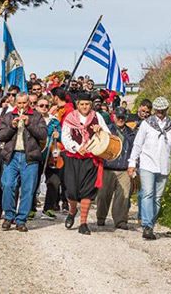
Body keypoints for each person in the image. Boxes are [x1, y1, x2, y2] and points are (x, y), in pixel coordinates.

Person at [128, 97, 171, 240]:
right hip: (147, 164)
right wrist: (132, 164)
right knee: (147, 193)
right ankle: (147, 226)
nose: (159, 112)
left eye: (162, 110)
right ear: (154, 110)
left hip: (164, 165)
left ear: (166, 109)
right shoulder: (147, 124)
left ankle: (150, 224)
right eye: (157, 110)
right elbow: (137, 144)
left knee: (157, 198)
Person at [61, 92, 111, 235]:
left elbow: (107, 135)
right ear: (78, 104)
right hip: (73, 158)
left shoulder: (97, 117)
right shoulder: (70, 118)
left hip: (91, 159)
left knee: (87, 191)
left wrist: (99, 130)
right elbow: (65, 137)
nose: (84, 107)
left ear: (91, 105)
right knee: (71, 191)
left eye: (87, 104)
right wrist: (77, 148)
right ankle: (72, 211)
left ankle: (83, 223)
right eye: (82, 104)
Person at [0, 92, 48, 232]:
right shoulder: (8, 116)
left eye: (24, 103)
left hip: (29, 157)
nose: (21, 106)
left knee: (28, 189)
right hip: (11, 157)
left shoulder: (36, 116)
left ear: (28, 103)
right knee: (7, 185)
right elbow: (0, 135)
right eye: (19, 103)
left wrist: (29, 123)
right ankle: (8, 216)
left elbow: (43, 134)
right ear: (15, 103)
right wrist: (12, 127)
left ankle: (21, 220)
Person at [96, 107, 135, 230]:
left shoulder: (132, 132)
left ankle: (120, 221)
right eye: (118, 117)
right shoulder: (107, 129)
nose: (120, 119)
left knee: (123, 196)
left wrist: (133, 166)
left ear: (126, 118)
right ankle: (101, 218)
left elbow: (135, 150)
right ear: (114, 117)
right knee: (103, 195)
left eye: (123, 117)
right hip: (108, 167)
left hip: (124, 169)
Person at [37, 97, 63, 218]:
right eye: (41, 105)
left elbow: (62, 137)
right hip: (37, 154)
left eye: (46, 106)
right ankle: (31, 208)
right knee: (33, 182)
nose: (44, 108)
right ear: (37, 107)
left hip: (52, 155)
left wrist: (58, 135)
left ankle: (48, 208)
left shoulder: (54, 121)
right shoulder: (33, 119)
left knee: (54, 182)